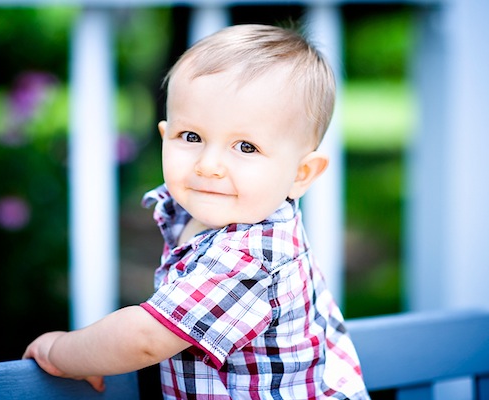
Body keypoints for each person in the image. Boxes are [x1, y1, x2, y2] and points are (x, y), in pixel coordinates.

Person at [24, 23, 370, 399]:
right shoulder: (211, 215)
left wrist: (63, 352)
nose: (209, 164)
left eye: (246, 147)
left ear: (301, 174)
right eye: (191, 137)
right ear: (165, 136)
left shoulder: (251, 256)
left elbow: (145, 338)